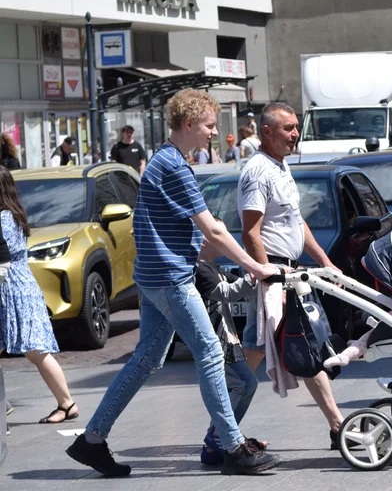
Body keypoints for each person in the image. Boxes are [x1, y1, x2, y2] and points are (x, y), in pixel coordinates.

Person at [66, 89, 280, 478]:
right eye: (210, 126)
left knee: (146, 360)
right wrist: (254, 265)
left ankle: (92, 440)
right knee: (211, 354)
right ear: (188, 124)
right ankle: (232, 447)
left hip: (153, 278)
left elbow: (193, 232)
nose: (215, 133)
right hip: (170, 280)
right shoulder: (174, 167)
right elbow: (212, 229)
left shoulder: (166, 162)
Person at [238, 102, 345, 449]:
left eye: (296, 127)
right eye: (288, 128)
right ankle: (219, 430)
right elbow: (250, 233)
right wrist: (269, 277)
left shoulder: (281, 167)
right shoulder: (257, 171)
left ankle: (337, 427)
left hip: (292, 274)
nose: (295, 134)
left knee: (307, 348)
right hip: (275, 276)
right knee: (252, 354)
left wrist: (325, 262)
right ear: (266, 131)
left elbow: (296, 222)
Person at [0, 167, 80, 425]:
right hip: (21, 285)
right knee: (36, 350)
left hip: (10, 288)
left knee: (36, 350)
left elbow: (3, 259)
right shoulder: (14, 214)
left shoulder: (2, 218)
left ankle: (67, 404)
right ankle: (64, 404)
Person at [193, 248, 262, 465]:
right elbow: (228, 292)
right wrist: (253, 273)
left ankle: (213, 448)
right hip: (216, 341)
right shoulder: (200, 270)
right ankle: (218, 436)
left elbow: (246, 289)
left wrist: (270, 274)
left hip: (228, 339)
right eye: (217, 233)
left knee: (238, 386)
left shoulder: (215, 268)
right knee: (244, 383)